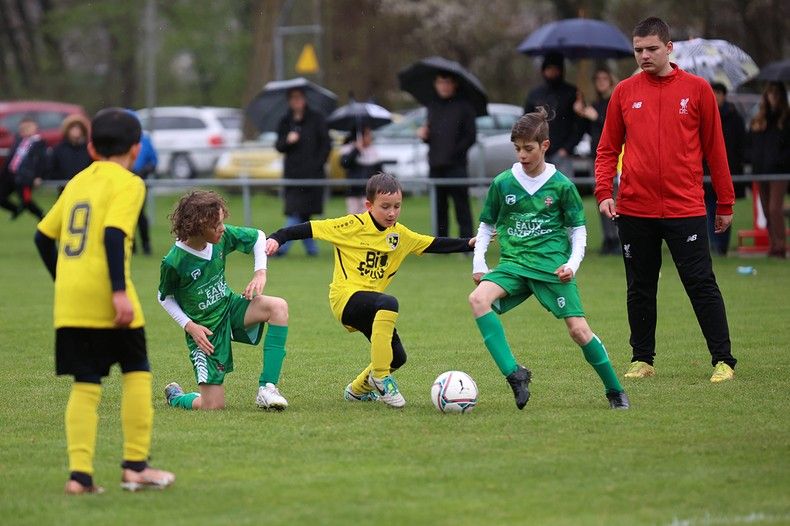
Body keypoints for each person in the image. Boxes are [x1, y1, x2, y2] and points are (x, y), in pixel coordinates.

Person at [33, 108, 175, 495]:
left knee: (85, 384)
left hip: (71, 300)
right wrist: (116, 291)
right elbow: (114, 235)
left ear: (92, 146)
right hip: (111, 296)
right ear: (136, 147)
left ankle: (79, 477)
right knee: (138, 372)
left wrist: (64, 281)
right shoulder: (130, 183)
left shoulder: (77, 181)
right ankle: (135, 466)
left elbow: (42, 237)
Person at [595, 16, 738, 382]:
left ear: (669, 48)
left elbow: (716, 152)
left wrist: (724, 203)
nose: (644, 55)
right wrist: (603, 193)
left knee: (700, 283)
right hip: (634, 209)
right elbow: (607, 149)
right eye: (638, 50)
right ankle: (642, 359)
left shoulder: (698, 90)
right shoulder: (624, 92)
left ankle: (723, 360)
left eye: (651, 49)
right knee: (640, 286)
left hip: (684, 208)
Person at [265, 172, 475, 408]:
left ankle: (357, 390)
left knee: (398, 357)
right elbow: (308, 228)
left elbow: (434, 244)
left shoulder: (400, 234)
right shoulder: (350, 225)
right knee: (388, 303)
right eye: (385, 207)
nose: (392, 213)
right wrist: (277, 237)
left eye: (397, 206)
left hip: (373, 305)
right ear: (369, 205)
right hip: (345, 299)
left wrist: (468, 243)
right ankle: (381, 377)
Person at [469, 108, 629, 411]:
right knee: (478, 300)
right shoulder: (503, 183)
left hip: (551, 268)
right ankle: (515, 374)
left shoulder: (562, 186)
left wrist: (572, 265)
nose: (522, 155)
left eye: (528, 149)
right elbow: (487, 225)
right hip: (514, 263)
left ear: (544, 145)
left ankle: (615, 390)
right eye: (517, 149)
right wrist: (480, 263)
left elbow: (578, 232)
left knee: (579, 331)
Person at [158, 190, 290, 411]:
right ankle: (176, 397)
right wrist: (190, 326)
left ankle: (267, 388)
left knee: (278, 307)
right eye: (216, 225)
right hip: (206, 331)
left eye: (221, 222)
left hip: (230, 308)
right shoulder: (174, 261)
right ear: (198, 227)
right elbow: (164, 297)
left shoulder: (221, 237)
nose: (222, 228)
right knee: (213, 406)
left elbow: (258, 236)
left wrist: (260, 273)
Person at [416, 72, 476, 238]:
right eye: (440, 82)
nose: (444, 86)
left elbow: (470, 136)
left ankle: (466, 243)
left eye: (447, 82)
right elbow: (431, 135)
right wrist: (424, 135)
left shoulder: (465, 107)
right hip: (435, 165)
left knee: (461, 206)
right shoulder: (432, 106)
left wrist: (454, 154)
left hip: (456, 166)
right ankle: (441, 243)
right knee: (438, 207)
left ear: (454, 84)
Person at [274, 87, 331, 256]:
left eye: (299, 98)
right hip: (293, 176)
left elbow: (326, 144)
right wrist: (288, 140)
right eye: (293, 98)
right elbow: (279, 146)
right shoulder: (286, 121)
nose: (296, 102)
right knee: (297, 211)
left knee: (303, 212)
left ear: (304, 99)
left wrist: (317, 164)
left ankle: (283, 245)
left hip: (313, 174)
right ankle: (305, 249)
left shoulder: (317, 119)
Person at [574, 67, 620, 255]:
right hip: (597, 157)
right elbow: (589, 131)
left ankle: (617, 237)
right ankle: (608, 238)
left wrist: (597, 117)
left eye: (604, 78)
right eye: (597, 78)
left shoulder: (615, 101)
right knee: (601, 196)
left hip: (615, 158)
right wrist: (581, 111)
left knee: (615, 198)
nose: (601, 82)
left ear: (610, 80)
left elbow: (615, 129)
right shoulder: (596, 103)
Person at [524, 52, 584, 180]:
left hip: (562, 153)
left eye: (555, 69)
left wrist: (567, 148)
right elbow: (526, 123)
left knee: (563, 190)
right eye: (549, 69)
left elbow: (580, 126)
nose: (552, 73)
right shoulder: (534, 94)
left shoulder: (572, 93)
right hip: (539, 152)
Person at [703, 82, 746, 256]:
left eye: (718, 92)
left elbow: (740, 143)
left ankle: (722, 245)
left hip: (728, 169)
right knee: (709, 209)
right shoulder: (704, 115)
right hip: (706, 171)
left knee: (724, 208)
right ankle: (713, 244)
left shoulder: (734, 117)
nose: (715, 96)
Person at [748, 81, 789, 259]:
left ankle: (780, 245)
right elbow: (750, 143)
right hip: (761, 170)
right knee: (766, 209)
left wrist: (781, 160)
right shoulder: (759, 119)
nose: (772, 97)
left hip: (779, 171)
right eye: (770, 93)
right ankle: (773, 244)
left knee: (774, 208)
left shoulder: (786, 119)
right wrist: (752, 159)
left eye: (775, 93)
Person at [0, 116, 47, 219]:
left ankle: (42, 216)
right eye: (22, 127)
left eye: (27, 127)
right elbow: (11, 158)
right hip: (10, 175)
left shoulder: (38, 142)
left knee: (26, 200)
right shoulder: (19, 141)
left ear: (35, 127)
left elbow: (42, 161)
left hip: (24, 177)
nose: (24, 129)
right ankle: (15, 210)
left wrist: (38, 176)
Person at [340, 125, 383, 214]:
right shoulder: (349, 149)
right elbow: (345, 163)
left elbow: (379, 171)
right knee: (354, 216)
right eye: (367, 134)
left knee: (368, 216)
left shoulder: (373, 151)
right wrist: (356, 150)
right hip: (353, 190)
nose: (370, 137)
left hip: (368, 191)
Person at [47, 114, 92, 194]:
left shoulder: (89, 149)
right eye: (73, 128)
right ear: (67, 130)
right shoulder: (59, 149)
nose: (76, 131)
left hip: (85, 189)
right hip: (64, 189)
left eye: (78, 128)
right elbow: (52, 169)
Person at [131, 127, 158, 255]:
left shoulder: (145, 140)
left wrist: (143, 171)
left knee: (140, 214)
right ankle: (131, 246)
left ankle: (146, 244)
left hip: (141, 181)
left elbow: (153, 161)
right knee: (127, 213)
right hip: (124, 181)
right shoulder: (122, 141)